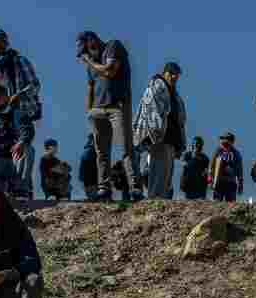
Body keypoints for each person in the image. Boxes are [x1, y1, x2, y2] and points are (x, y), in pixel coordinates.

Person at [0, 28, 41, 196]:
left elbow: (35, 85)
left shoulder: (19, 61)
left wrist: (18, 96)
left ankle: (22, 190)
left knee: (23, 149)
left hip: (19, 111)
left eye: (1, 40)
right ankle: (2, 190)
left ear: (7, 42)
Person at [79, 31, 140, 202]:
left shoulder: (113, 46)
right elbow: (90, 87)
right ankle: (104, 188)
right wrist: (89, 111)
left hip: (117, 106)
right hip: (97, 110)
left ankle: (135, 188)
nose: (87, 53)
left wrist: (89, 61)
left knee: (126, 148)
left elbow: (110, 71)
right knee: (101, 152)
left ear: (93, 40)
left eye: (87, 48)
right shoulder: (90, 64)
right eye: (84, 51)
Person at [134, 62, 187, 200]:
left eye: (177, 75)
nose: (175, 77)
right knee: (158, 169)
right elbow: (151, 110)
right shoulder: (157, 86)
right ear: (166, 73)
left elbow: (179, 117)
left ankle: (161, 197)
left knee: (167, 171)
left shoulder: (172, 91)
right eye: (172, 73)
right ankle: (155, 197)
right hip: (159, 136)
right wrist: (155, 132)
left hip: (170, 137)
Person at [209, 132, 244, 202]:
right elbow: (211, 166)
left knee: (230, 203)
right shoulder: (218, 151)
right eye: (223, 139)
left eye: (227, 139)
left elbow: (239, 169)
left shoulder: (235, 153)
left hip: (230, 183)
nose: (225, 142)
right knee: (217, 203)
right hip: (219, 183)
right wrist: (210, 179)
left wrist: (240, 183)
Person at [80, 133, 99, 200]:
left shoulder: (86, 151)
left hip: (88, 181)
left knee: (92, 197)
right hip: (93, 180)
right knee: (93, 196)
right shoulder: (91, 151)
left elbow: (82, 167)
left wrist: (81, 178)